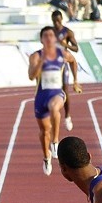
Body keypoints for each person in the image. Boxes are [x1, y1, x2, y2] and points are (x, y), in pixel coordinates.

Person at [29, 25, 77, 176]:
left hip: (57, 93)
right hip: (41, 96)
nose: (49, 38)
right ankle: (46, 157)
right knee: (44, 132)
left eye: (51, 35)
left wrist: (75, 81)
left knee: (54, 108)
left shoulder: (62, 54)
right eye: (46, 36)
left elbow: (73, 61)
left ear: (55, 38)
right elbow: (31, 76)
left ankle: (55, 142)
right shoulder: (36, 56)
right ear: (42, 39)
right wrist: (41, 61)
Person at [51, 10, 82, 131]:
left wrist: (66, 45)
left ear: (61, 19)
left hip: (63, 63)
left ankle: (67, 116)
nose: (57, 23)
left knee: (65, 89)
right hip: (52, 64)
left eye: (58, 20)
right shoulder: (50, 32)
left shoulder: (67, 32)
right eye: (54, 21)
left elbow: (76, 48)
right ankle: (53, 113)